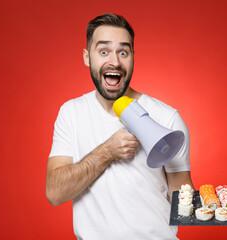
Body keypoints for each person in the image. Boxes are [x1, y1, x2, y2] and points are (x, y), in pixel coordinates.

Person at [46, 13, 193, 239]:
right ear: (87, 57)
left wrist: (223, 204)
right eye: (103, 51)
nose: (114, 62)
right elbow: (55, 192)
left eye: (123, 52)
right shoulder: (71, 112)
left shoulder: (167, 118)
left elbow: (182, 200)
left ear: (133, 57)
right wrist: (107, 152)